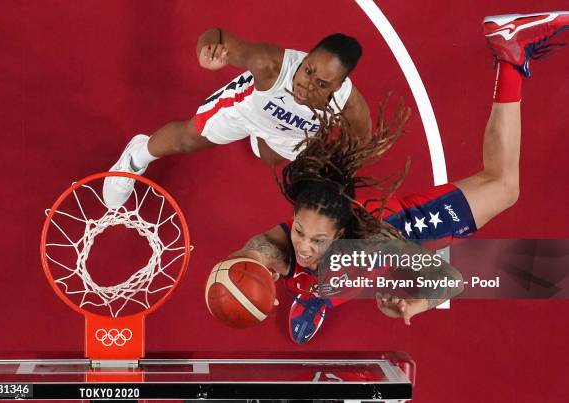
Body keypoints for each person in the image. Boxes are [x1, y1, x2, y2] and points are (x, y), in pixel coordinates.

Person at [226, 11, 569, 344]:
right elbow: (251, 256)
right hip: (352, 257)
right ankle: (319, 296)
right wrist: (250, 272)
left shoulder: (378, 245)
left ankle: (511, 55)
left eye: (317, 239)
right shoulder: (280, 249)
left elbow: (450, 278)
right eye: (299, 230)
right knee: (318, 271)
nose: (302, 245)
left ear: (345, 236)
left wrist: (421, 299)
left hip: (412, 225)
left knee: (504, 185)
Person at [103, 30, 372, 208]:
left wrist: (338, 166)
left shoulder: (350, 107)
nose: (306, 84)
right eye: (308, 70)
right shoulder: (270, 64)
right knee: (188, 138)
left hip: (292, 132)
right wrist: (205, 52)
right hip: (247, 108)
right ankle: (135, 156)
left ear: (337, 87)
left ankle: (260, 140)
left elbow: (362, 141)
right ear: (305, 57)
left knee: (270, 158)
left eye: (321, 83)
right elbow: (217, 34)